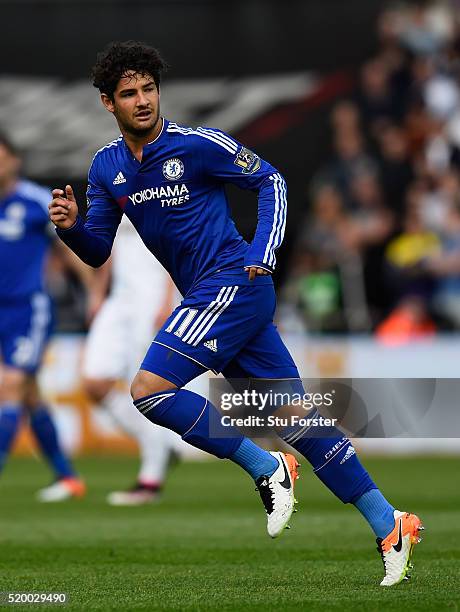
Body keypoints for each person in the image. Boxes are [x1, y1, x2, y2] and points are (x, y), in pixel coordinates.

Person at [49, 41, 423, 585]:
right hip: (212, 296)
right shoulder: (106, 167)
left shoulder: (196, 145)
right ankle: (391, 523)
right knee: (297, 421)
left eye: (148, 88)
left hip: (233, 284)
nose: (142, 100)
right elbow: (97, 249)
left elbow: (270, 179)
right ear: (109, 103)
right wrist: (70, 228)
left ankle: (264, 466)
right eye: (129, 93)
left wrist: (262, 253)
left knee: (149, 390)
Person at [0, 133, 85, 502]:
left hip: (27, 309)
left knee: (9, 386)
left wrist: (94, 292)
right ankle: (67, 477)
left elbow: (72, 248)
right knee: (29, 396)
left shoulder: (36, 201)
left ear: (15, 161)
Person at [82, 214, 179, 505]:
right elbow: (106, 244)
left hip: (151, 299)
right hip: (120, 299)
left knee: (145, 389)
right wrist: (98, 293)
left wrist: (168, 299)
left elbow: (177, 246)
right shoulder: (113, 181)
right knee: (94, 382)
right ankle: (160, 446)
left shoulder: (164, 183)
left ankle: (150, 480)